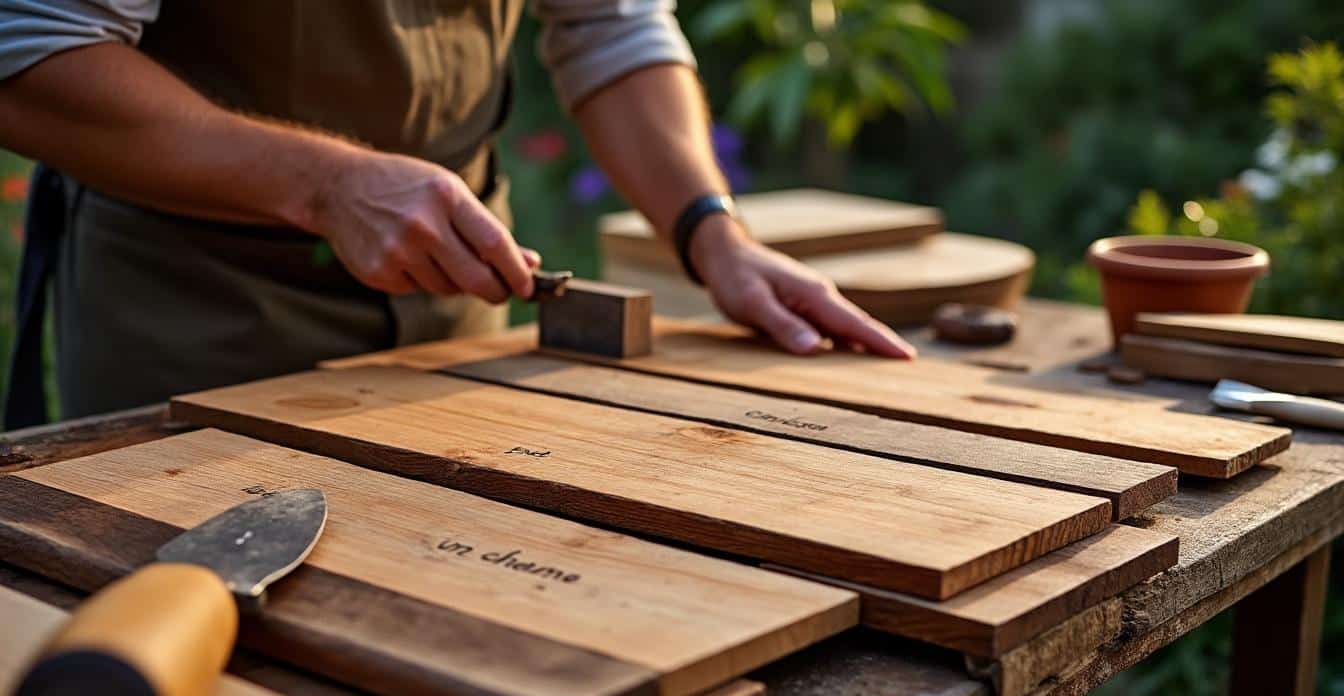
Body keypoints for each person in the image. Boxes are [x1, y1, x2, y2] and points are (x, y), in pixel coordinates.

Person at [0, 0, 916, 429]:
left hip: (453, 318)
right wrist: (326, 185)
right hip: (196, 312)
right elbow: (32, 51)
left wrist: (713, 233)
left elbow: (612, 25)